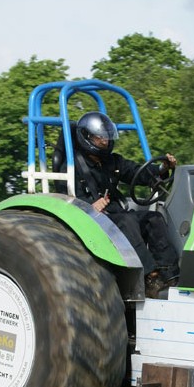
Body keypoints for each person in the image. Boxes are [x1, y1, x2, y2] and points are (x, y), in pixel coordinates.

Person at [56, 111, 180, 298]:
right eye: (100, 138)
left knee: (153, 218)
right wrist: (90, 205)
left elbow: (137, 172)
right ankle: (149, 278)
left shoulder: (113, 161)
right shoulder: (70, 168)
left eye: (106, 137)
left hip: (116, 214)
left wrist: (162, 169)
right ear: (86, 138)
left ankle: (171, 275)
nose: (105, 141)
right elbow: (67, 200)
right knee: (127, 221)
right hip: (92, 220)